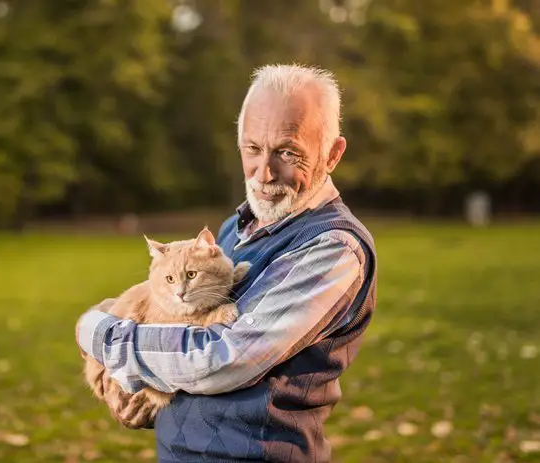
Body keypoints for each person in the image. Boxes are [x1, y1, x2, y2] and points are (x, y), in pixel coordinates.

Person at [75, 63, 378, 463]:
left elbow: (223, 359)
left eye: (287, 153)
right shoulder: (234, 229)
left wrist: (98, 332)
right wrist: (137, 387)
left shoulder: (334, 248)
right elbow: (178, 330)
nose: (264, 173)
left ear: (333, 153)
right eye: (252, 149)